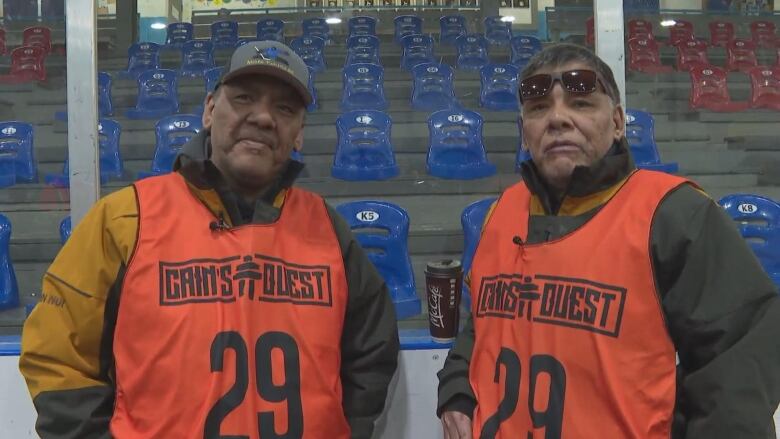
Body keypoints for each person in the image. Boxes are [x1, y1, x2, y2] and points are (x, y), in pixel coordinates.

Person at [20, 41, 400, 439]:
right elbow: (56, 354)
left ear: (299, 133)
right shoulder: (124, 219)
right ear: (209, 110)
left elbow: (372, 347)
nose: (264, 118)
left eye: (285, 109)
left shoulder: (327, 228)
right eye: (243, 99)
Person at [437, 43, 780, 439]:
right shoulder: (501, 213)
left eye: (581, 104)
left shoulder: (674, 214)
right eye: (539, 109)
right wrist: (457, 390)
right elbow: (481, 325)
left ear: (617, 122)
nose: (558, 118)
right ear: (524, 132)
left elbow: (735, 373)